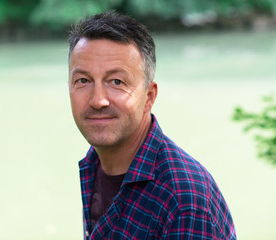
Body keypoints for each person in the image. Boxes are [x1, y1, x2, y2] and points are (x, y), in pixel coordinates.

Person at [68, 11, 236, 240]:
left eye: (117, 82)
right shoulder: (95, 163)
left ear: (149, 97)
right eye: (83, 81)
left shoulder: (185, 201)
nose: (98, 100)